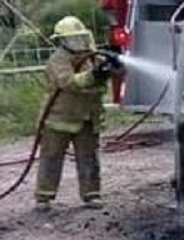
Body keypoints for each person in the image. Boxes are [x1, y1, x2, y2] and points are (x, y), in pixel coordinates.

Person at [34, 16, 124, 211]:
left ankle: (91, 194)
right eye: (72, 39)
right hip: (59, 118)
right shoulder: (58, 59)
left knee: (88, 157)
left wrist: (114, 62)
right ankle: (44, 196)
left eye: (79, 37)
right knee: (51, 156)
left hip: (87, 118)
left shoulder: (91, 56)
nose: (78, 42)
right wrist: (94, 75)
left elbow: (114, 73)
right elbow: (67, 82)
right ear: (62, 41)